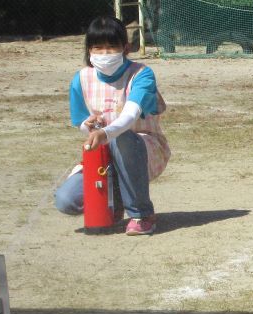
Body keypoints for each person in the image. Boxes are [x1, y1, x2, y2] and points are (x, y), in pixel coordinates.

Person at [54, 16, 170, 235]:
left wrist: (106, 132)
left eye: (111, 47)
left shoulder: (141, 74)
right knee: (66, 201)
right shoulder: (80, 79)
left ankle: (141, 214)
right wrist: (88, 126)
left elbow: (130, 116)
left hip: (141, 147)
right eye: (98, 48)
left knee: (121, 137)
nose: (105, 54)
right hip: (103, 154)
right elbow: (81, 123)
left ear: (125, 48)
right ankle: (114, 202)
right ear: (88, 50)